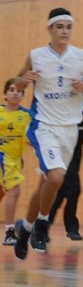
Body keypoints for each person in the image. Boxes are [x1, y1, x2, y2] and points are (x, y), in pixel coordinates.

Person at [13, 7, 83, 259]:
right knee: (55, 178)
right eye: (60, 27)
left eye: (68, 27)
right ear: (50, 29)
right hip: (43, 125)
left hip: (70, 129)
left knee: (47, 182)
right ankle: (42, 223)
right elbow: (17, 83)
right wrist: (23, 80)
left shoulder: (82, 56)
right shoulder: (36, 55)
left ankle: (25, 228)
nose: (65, 31)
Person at [48, 100, 83, 241]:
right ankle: (72, 229)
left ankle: (42, 226)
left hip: (76, 156)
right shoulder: (63, 105)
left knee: (60, 193)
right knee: (75, 189)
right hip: (61, 153)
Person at [0, 79, 31, 246]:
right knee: (15, 191)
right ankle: (9, 232)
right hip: (2, 158)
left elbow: (32, 139)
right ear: (5, 95)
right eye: (11, 89)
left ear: (22, 95)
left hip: (15, 161)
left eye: (18, 90)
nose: (15, 93)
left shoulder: (26, 116)